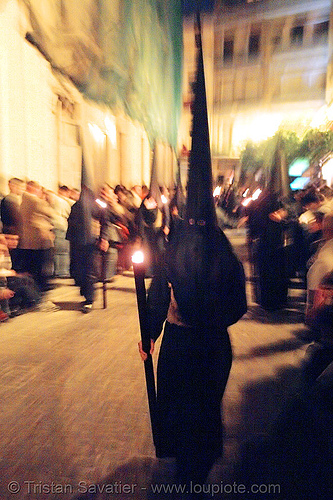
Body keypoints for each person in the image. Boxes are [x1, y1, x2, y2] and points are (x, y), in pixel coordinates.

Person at [66, 185, 101, 313]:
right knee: (77, 271)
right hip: (76, 243)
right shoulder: (75, 207)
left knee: (89, 272)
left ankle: (89, 299)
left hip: (90, 244)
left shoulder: (95, 207)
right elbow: (70, 223)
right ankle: (85, 292)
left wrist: (102, 238)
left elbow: (103, 221)